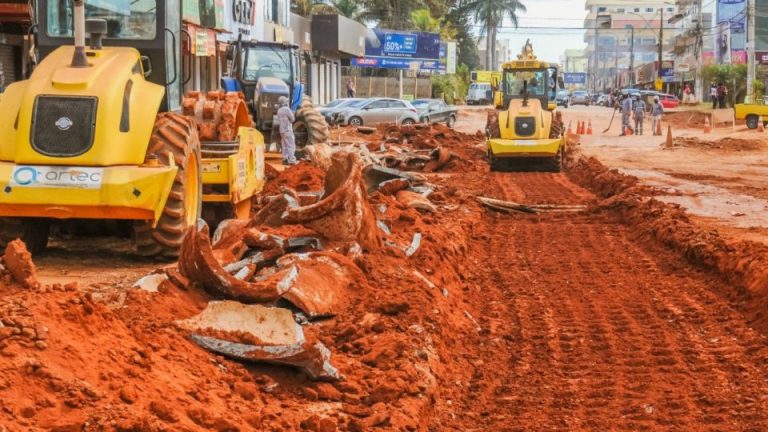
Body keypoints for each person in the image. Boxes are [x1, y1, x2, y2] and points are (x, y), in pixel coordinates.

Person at [277, 96, 297, 165]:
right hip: (287, 130)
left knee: (284, 145)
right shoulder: (287, 109)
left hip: (282, 131)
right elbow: (293, 119)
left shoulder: (279, 111)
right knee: (291, 145)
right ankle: (292, 160)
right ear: (284, 102)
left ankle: (285, 159)